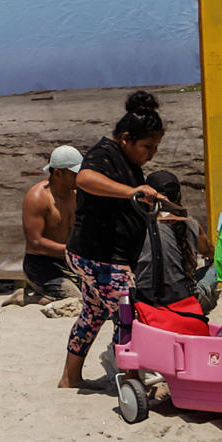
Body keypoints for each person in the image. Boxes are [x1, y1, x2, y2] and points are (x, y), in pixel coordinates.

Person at [58, 91, 173, 389]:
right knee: (129, 318)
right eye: (147, 146)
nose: (151, 154)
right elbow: (84, 179)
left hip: (98, 255)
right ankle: (129, 379)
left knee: (92, 315)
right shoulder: (105, 153)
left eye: (155, 148)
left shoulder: (130, 165)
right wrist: (130, 192)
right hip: (100, 256)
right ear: (125, 138)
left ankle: (70, 379)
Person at [128, 168, 217, 335]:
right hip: (187, 304)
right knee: (216, 267)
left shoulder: (136, 227)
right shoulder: (190, 224)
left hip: (146, 306)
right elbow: (212, 253)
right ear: (178, 197)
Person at [19, 145, 82, 304]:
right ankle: (26, 298)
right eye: (75, 173)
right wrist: (73, 252)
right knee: (75, 300)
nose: (79, 177)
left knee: (99, 296)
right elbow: (35, 243)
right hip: (42, 263)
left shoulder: (76, 194)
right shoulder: (38, 197)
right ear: (58, 172)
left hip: (69, 259)